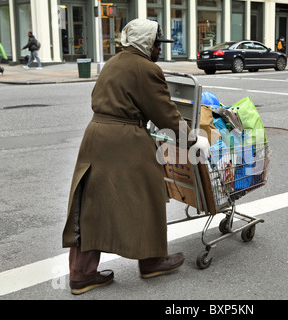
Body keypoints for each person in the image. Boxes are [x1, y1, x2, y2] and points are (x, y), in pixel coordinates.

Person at [62, 18, 210, 295]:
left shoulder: (114, 61)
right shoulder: (146, 68)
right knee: (150, 190)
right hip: (124, 139)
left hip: (96, 136)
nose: (159, 49)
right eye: (156, 44)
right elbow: (165, 113)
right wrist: (193, 140)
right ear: (147, 44)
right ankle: (153, 260)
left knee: (91, 204)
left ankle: (81, 274)